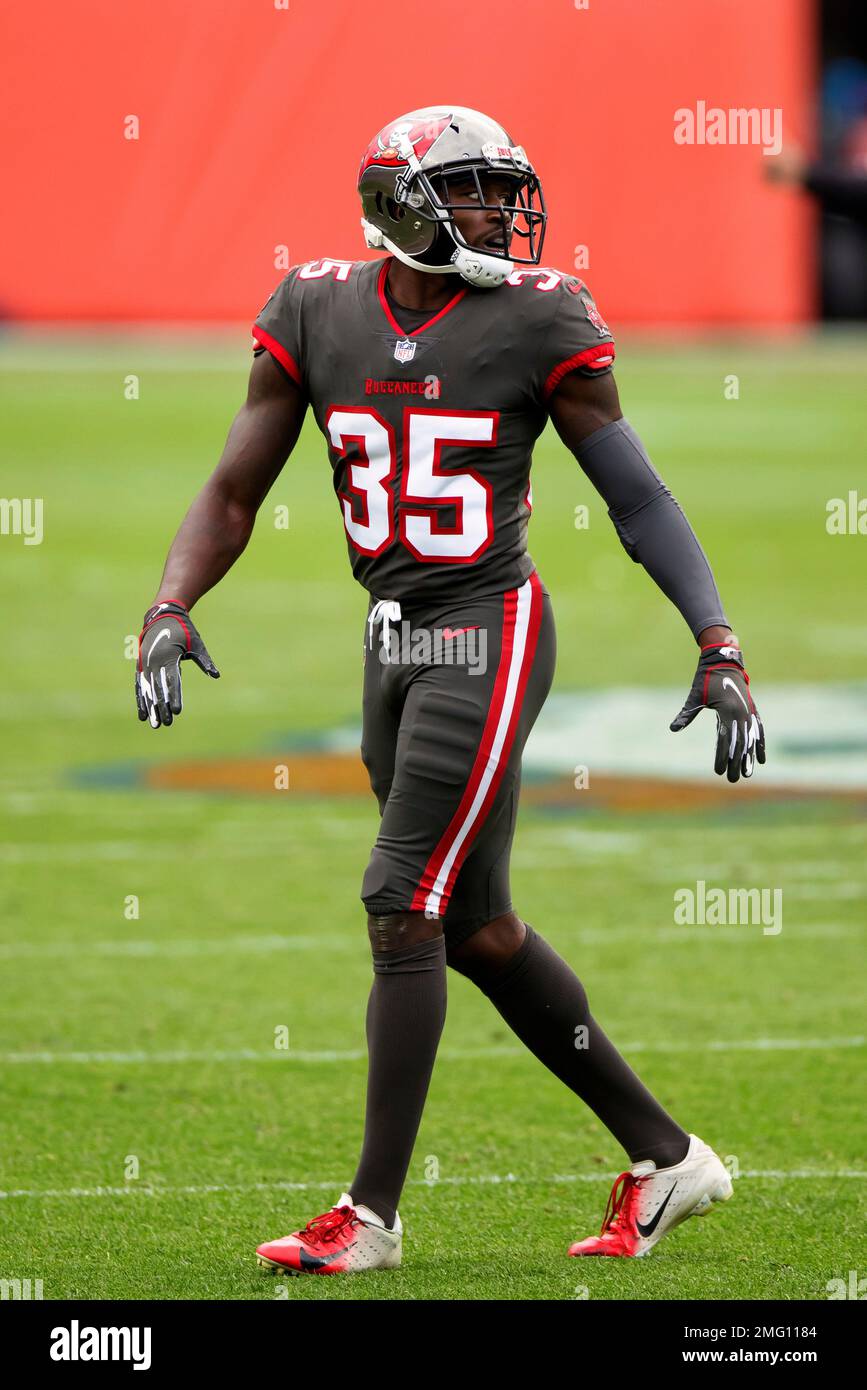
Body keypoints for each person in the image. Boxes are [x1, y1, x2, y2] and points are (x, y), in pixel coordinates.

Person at [135, 106, 764, 1271]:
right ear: (401, 204)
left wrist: (715, 637)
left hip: (487, 628)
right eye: (470, 193)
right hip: (390, 640)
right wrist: (172, 604)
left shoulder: (539, 317)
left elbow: (638, 497)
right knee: (475, 927)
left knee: (399, 899)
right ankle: (670, 1158)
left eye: (500, 191)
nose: (497, 214)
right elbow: (234, 489)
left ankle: (368, 1217)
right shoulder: (317, 306)